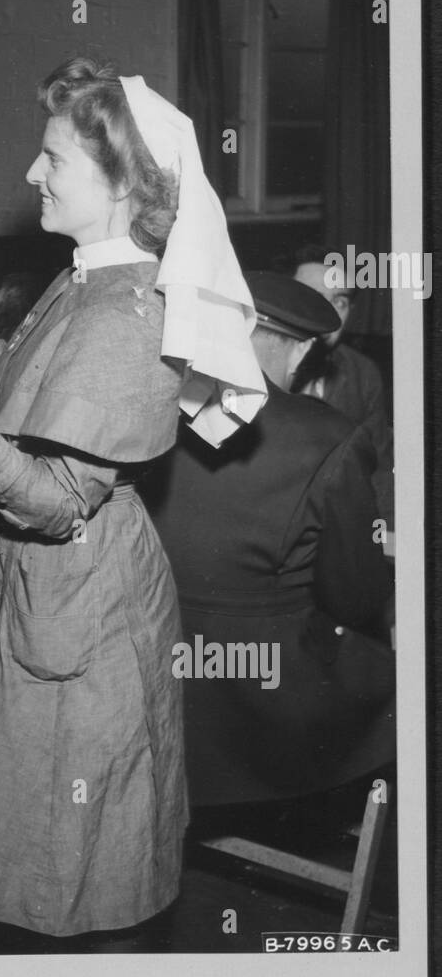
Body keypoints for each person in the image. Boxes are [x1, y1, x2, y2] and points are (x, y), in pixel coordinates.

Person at [0, 59, 265, 939]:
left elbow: (57, 502)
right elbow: (30, 402)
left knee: (82, 859)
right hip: (43, 595)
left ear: (122, 183)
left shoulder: (128, 314)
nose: (30, 174)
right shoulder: (86, 277)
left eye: (53, 159)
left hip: (80, 605)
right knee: (43, 839)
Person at [144, 272, 394, 808]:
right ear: (301, 350)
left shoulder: (156, 407)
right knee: (406, 678)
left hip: (155, 685)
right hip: (263, 707)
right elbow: (356, 596)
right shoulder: (330, 436)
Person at [292, 245, 394, 527]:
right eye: (312, 297)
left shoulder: (362, 373)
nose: (326, 314)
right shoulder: (252, 370)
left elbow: (379, 469)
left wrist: (387, 537)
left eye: (339, 302)